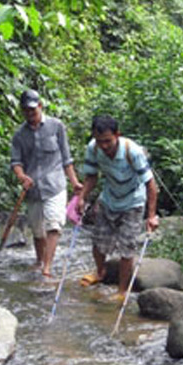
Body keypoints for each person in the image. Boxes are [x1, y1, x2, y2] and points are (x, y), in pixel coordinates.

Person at [77, 115, 160, 300]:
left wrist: (152, 216)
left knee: (126, 247)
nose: (104, 146)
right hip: (108, 199)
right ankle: (100, 272)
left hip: (133, 202)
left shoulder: (133, 152)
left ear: (117, 134)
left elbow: (151, 185)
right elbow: (91, 176)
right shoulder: (93, 148)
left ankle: (122, 291)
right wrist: (82, 198)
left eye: (107, 141)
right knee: (98, 240)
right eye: (100, 141)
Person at [10, 88, 83, 278]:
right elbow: (15, 162)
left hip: (55, 186)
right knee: (37, 231)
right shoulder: (19, 135)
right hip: (33, 189)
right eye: (26, 111)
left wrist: (74, 182)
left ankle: (47, 268)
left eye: (33, 110)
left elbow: (67, 158)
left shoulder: (56, 126)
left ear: (40, 106)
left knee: (54, 225)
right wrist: (21, 176)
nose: (30, 114)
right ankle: (39, 260)